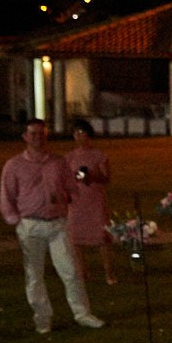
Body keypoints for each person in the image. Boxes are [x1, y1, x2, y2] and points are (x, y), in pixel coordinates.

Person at [0, 119, 104, 334]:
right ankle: (42, 317)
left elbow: (71, 188)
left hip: (57, 223)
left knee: (71, 271)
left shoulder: (58, 162)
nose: (38, 137)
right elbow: (6, 195)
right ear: (25, 137)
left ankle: (82, 314)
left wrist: (66, 197)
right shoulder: (14, 165)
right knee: (34, 275)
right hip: (30, 224)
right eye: (33, 133)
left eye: (42, 133)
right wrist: (14, 219)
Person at [66, 119, 118, 287]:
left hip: (94, 199)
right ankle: (82, 272)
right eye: (75, 133)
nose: (78, 136)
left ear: (88, 134)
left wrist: (92, 176)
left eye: (81, 132)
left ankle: (109, 272)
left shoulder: (99, 155)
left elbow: (106, 178)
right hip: (76, 200)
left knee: (101, 237)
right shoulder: (69, 157)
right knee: (75, 238)